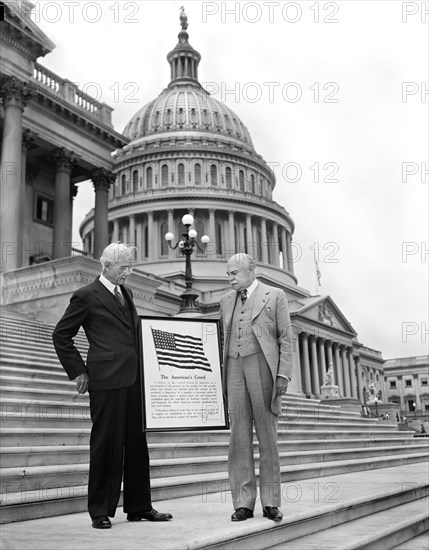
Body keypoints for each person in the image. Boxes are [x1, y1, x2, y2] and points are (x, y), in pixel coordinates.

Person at [52, 243, 172, 529]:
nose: (128, 272)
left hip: (133, 379)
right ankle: (100, 510)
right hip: (105, 380)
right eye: (123, 268)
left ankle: (139, 506)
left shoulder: (126, 293)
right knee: (106, 444)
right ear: (106, 266)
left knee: (136, 444)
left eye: (130, 267)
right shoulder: (85, 295)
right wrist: (78, 372)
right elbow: (61, 335)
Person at [219, 253, 293, 522]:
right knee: (238, 437)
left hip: (263, 368)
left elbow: (286, 337)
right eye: (228, 274)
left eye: (234, 273)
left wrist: (283, 374)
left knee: (267, 437)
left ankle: (271, 502)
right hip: (234, 369)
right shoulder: (226, 300)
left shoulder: (275, 295)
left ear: (251, 270)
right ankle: (243, 502)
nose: (230, 278)